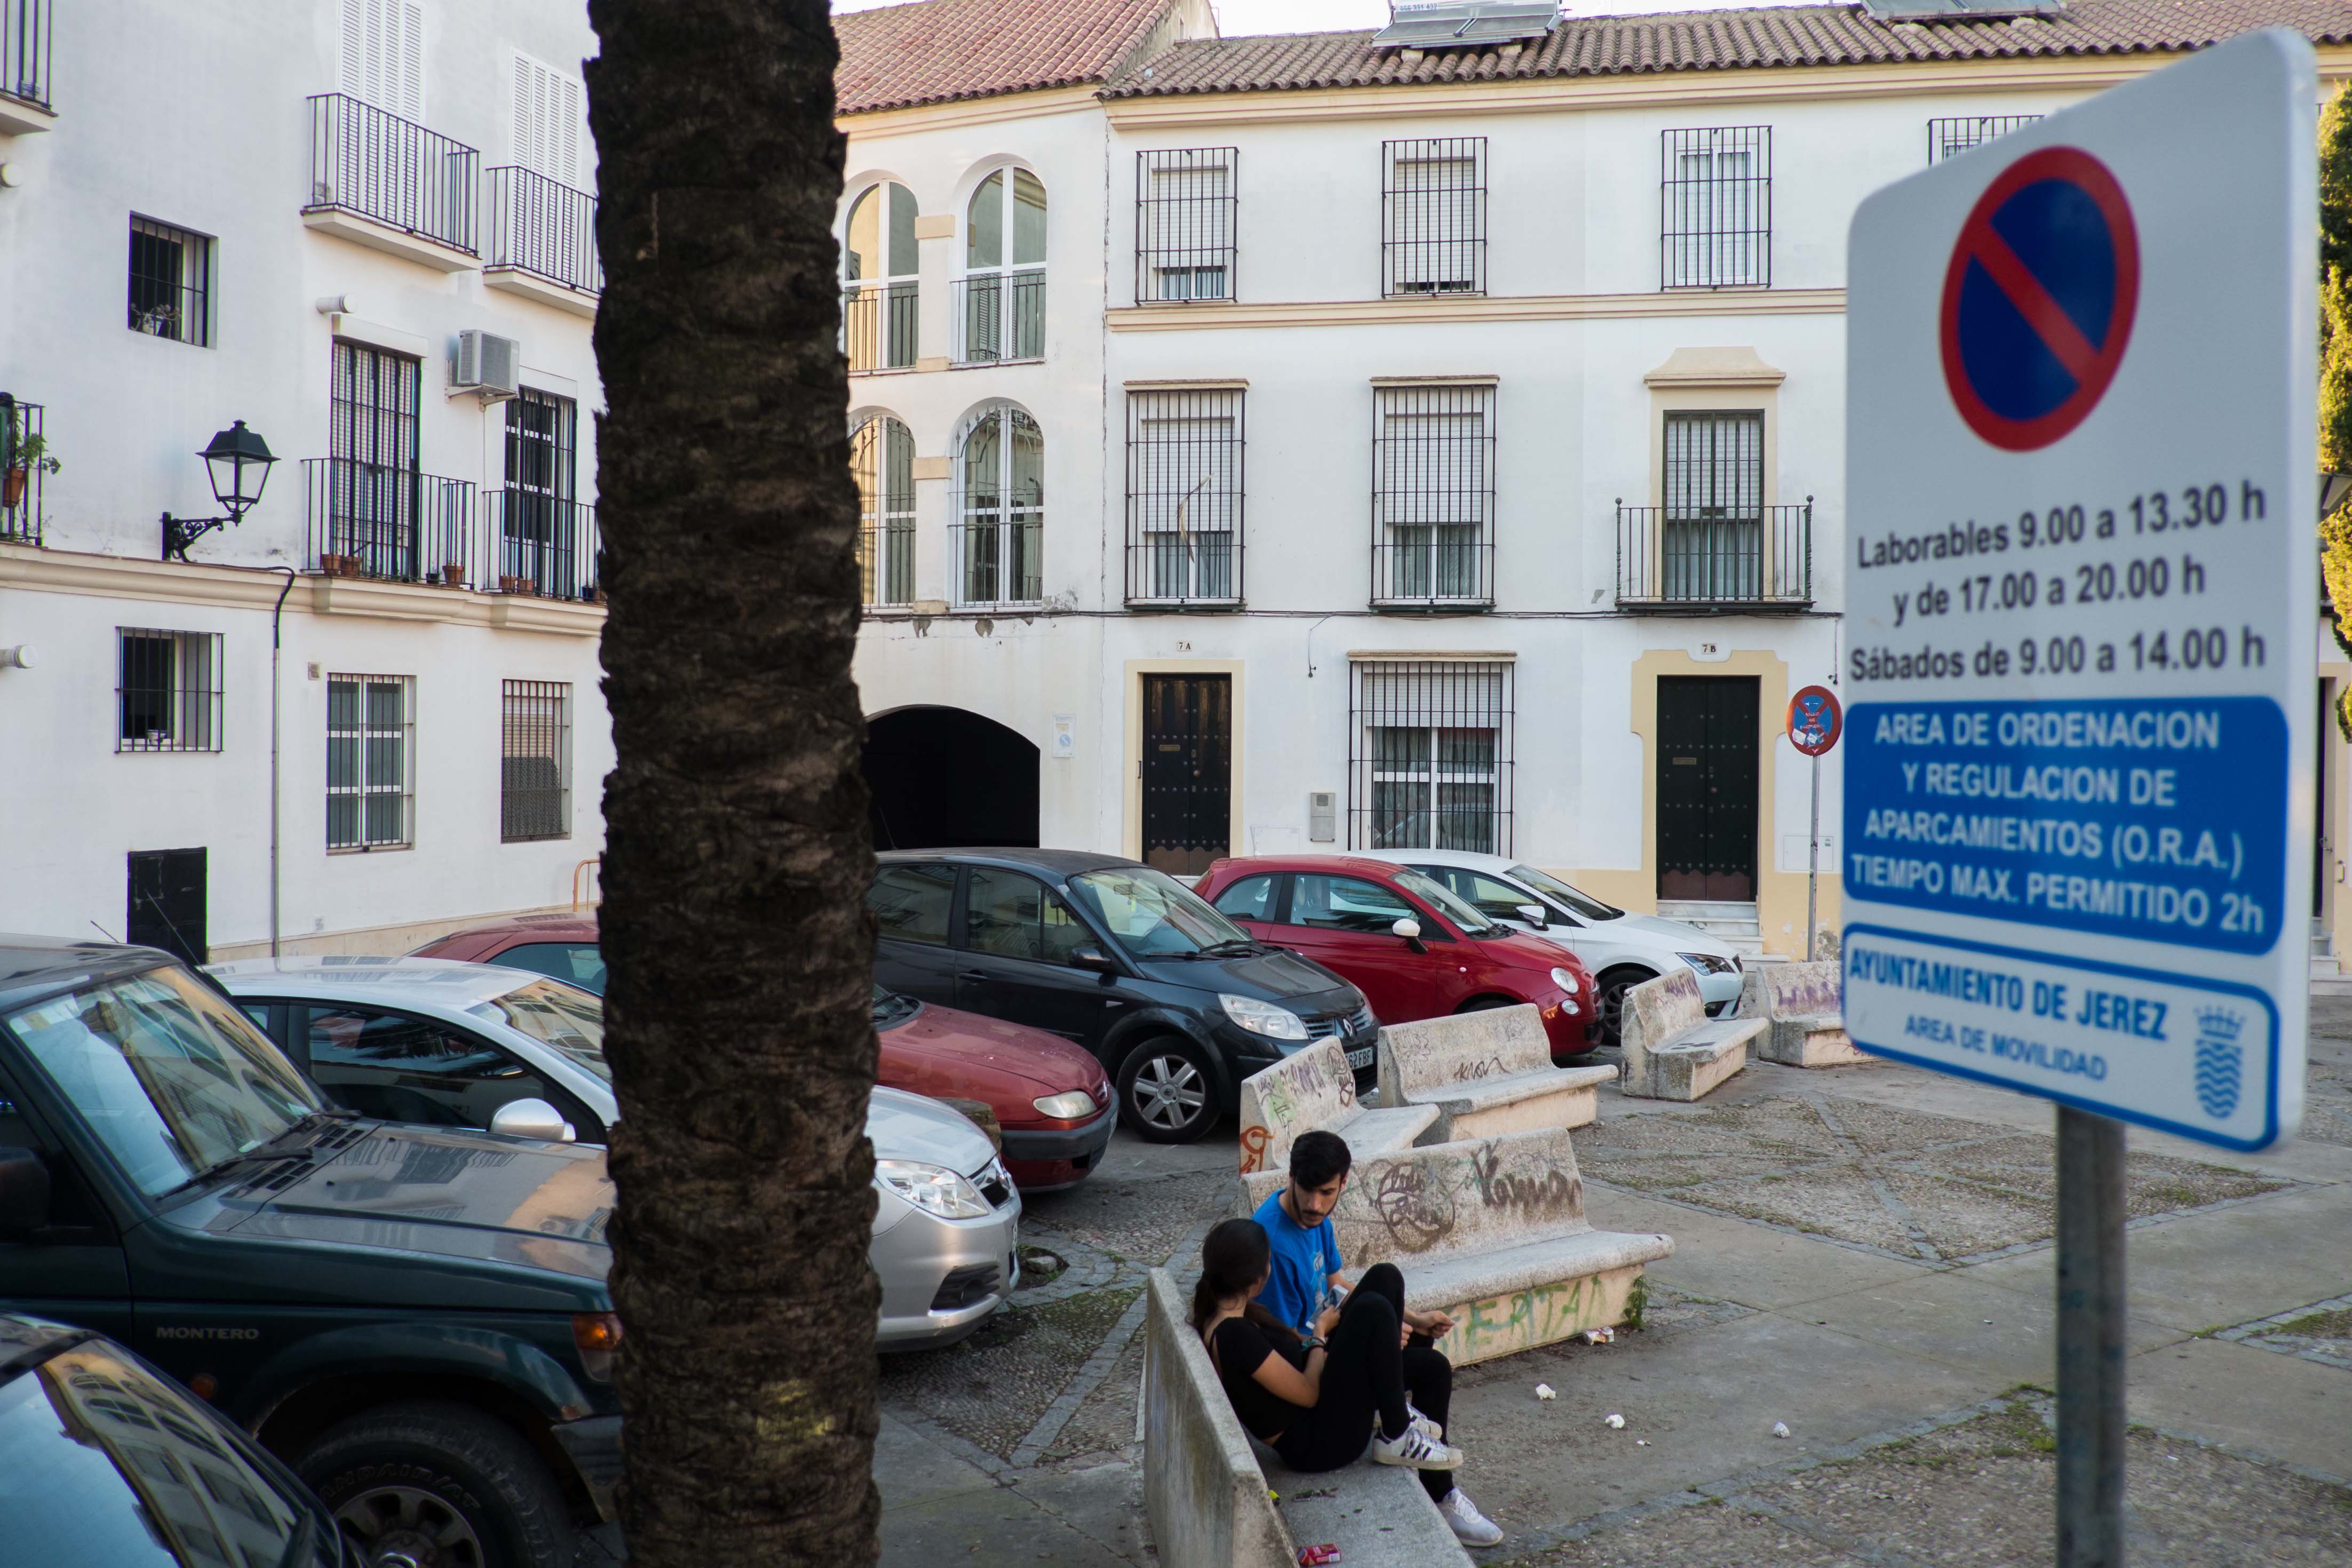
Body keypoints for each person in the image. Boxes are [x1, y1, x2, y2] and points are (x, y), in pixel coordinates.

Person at [1241, 1130, 1504, 1545]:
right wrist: (1351, 1333)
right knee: (1376, 1312)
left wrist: (1414, 1318)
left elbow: (1336, 1283)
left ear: (1343, 1183)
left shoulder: (1316, 1220)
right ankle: (1398, 1429)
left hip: (1326, 1343)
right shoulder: (1273, 1241)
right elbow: (1286, 1342)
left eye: (1326, 1193)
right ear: (1291, 1176)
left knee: (1393, 1289)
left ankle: (1440, 1492)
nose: (1315, 1204)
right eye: (1307, 1190)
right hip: (1309, 1367)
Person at [1193, 1218, 1502, 1545]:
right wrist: (1320, 1333)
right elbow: (1309, 1394)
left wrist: (1333, 1337)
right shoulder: (1234, 1335)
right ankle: (1398, 1434)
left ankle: (1432, 1478)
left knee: (1388, 1282)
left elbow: (1291, 1355)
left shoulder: (1234, 1315)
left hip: (1323, 1405)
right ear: (1257, 1279)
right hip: (1320, 1443)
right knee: (1376, 1312)